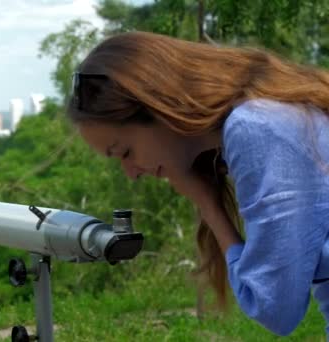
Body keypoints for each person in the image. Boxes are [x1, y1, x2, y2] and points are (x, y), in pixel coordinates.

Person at [68, 31, 329, 336]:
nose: (131, 172)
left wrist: (207, 203)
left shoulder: (257, 128)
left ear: (157, 107)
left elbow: (273, 308)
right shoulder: (266, 113)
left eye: (126, 152)